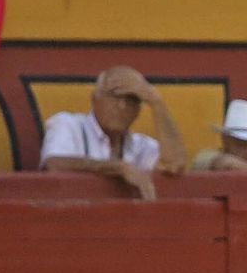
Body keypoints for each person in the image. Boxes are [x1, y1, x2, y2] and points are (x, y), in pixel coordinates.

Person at [38, 65, 188, 199]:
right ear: (95, 99)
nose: (122, 106)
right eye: (114, 96)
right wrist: (118, 168)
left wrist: (156, 102)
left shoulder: (140, 144)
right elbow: (55, 163)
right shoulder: (70, 124)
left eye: (132, 99)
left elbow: (175, 165)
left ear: (138, 111)